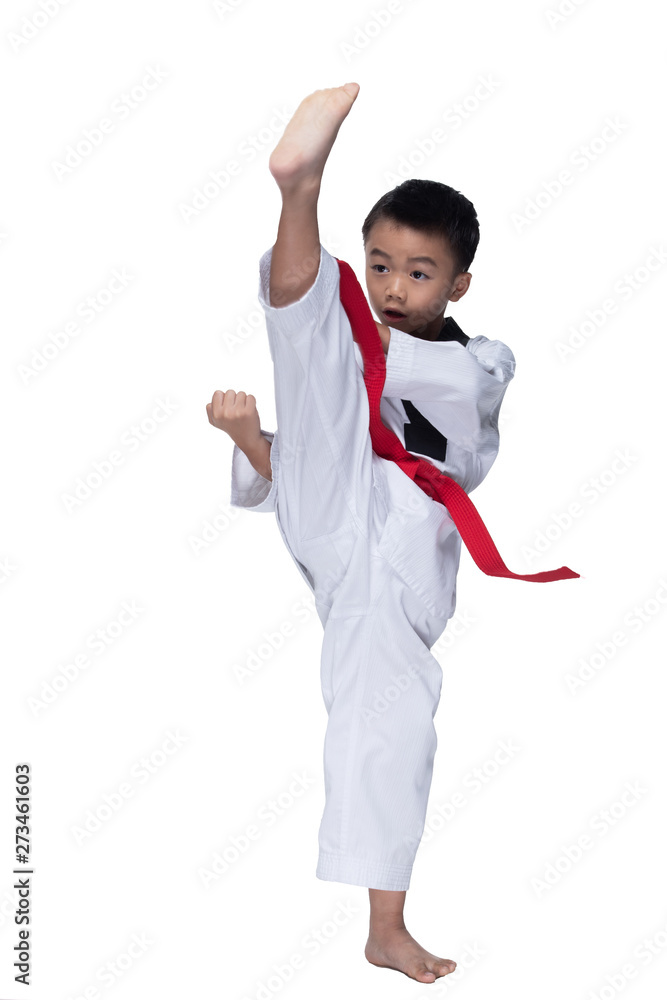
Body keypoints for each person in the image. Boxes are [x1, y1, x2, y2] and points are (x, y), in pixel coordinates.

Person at [206, 82, 516, 984]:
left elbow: (428, 405)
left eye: (416, 273)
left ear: (458, 284)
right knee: (312, 350)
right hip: (346, 526)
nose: (389, 286)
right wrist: (249, 438)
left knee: (387, 730)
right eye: (376, 265)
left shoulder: (479, 362)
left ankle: (385, 924)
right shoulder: (358, 340)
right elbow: (294, 456)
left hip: (393, 531)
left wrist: (336, 339)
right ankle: (297, 191)